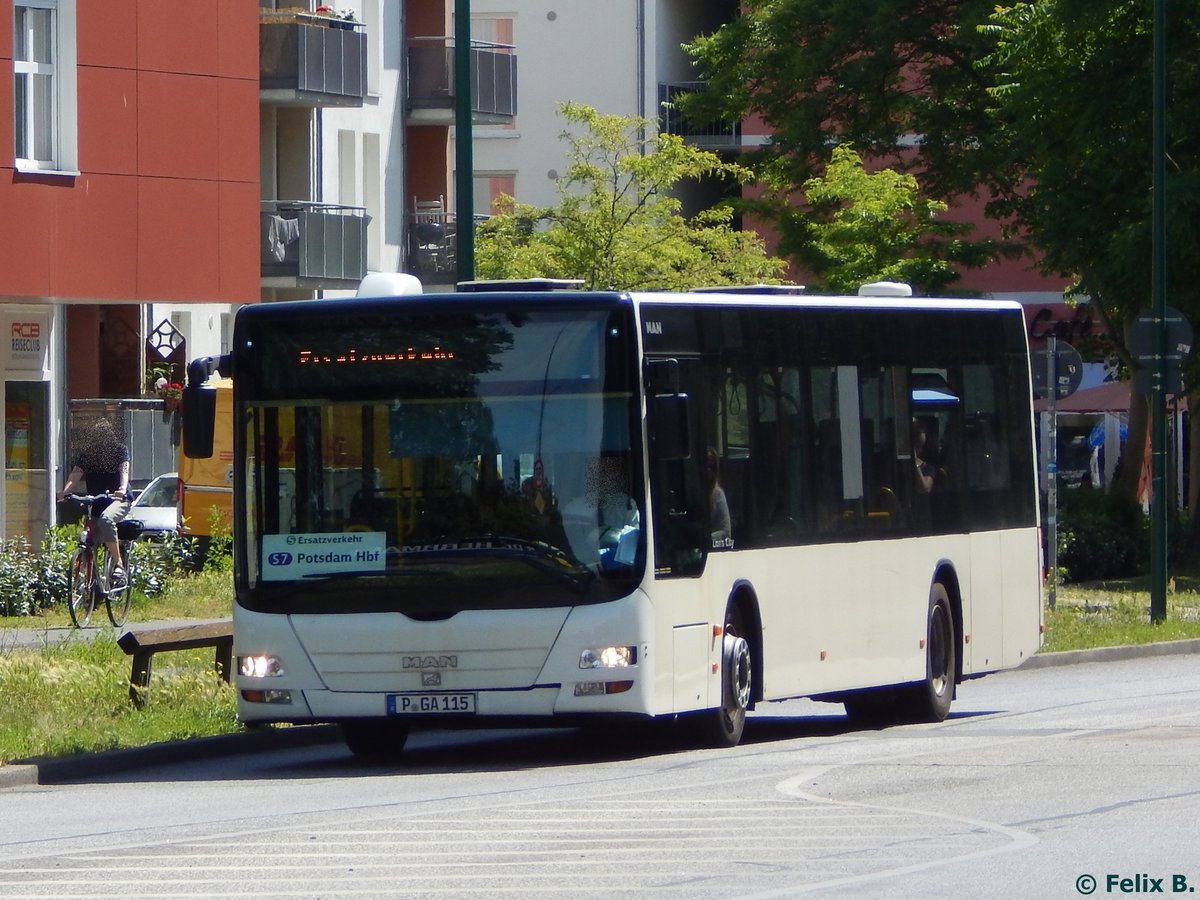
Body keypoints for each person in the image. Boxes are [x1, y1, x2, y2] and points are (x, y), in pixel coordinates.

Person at [58, 419, 132, 583]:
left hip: (118, 499)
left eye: (105, 436)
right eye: (98, 436)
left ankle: (119, 564)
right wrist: (65, 492)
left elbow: (124, 471)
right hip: (97, 501)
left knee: (106, 520)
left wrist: (122, 488)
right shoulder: (87, 454)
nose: (102, 440)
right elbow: (75, 474)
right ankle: (91, 585)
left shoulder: (119, 450)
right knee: (91, 538)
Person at [707, 448, 732, 547]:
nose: (708, 470)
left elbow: (726, 533)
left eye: (712, 467)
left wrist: (706, 538)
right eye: (705, 465)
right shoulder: (690, 493)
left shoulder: (717, 494)